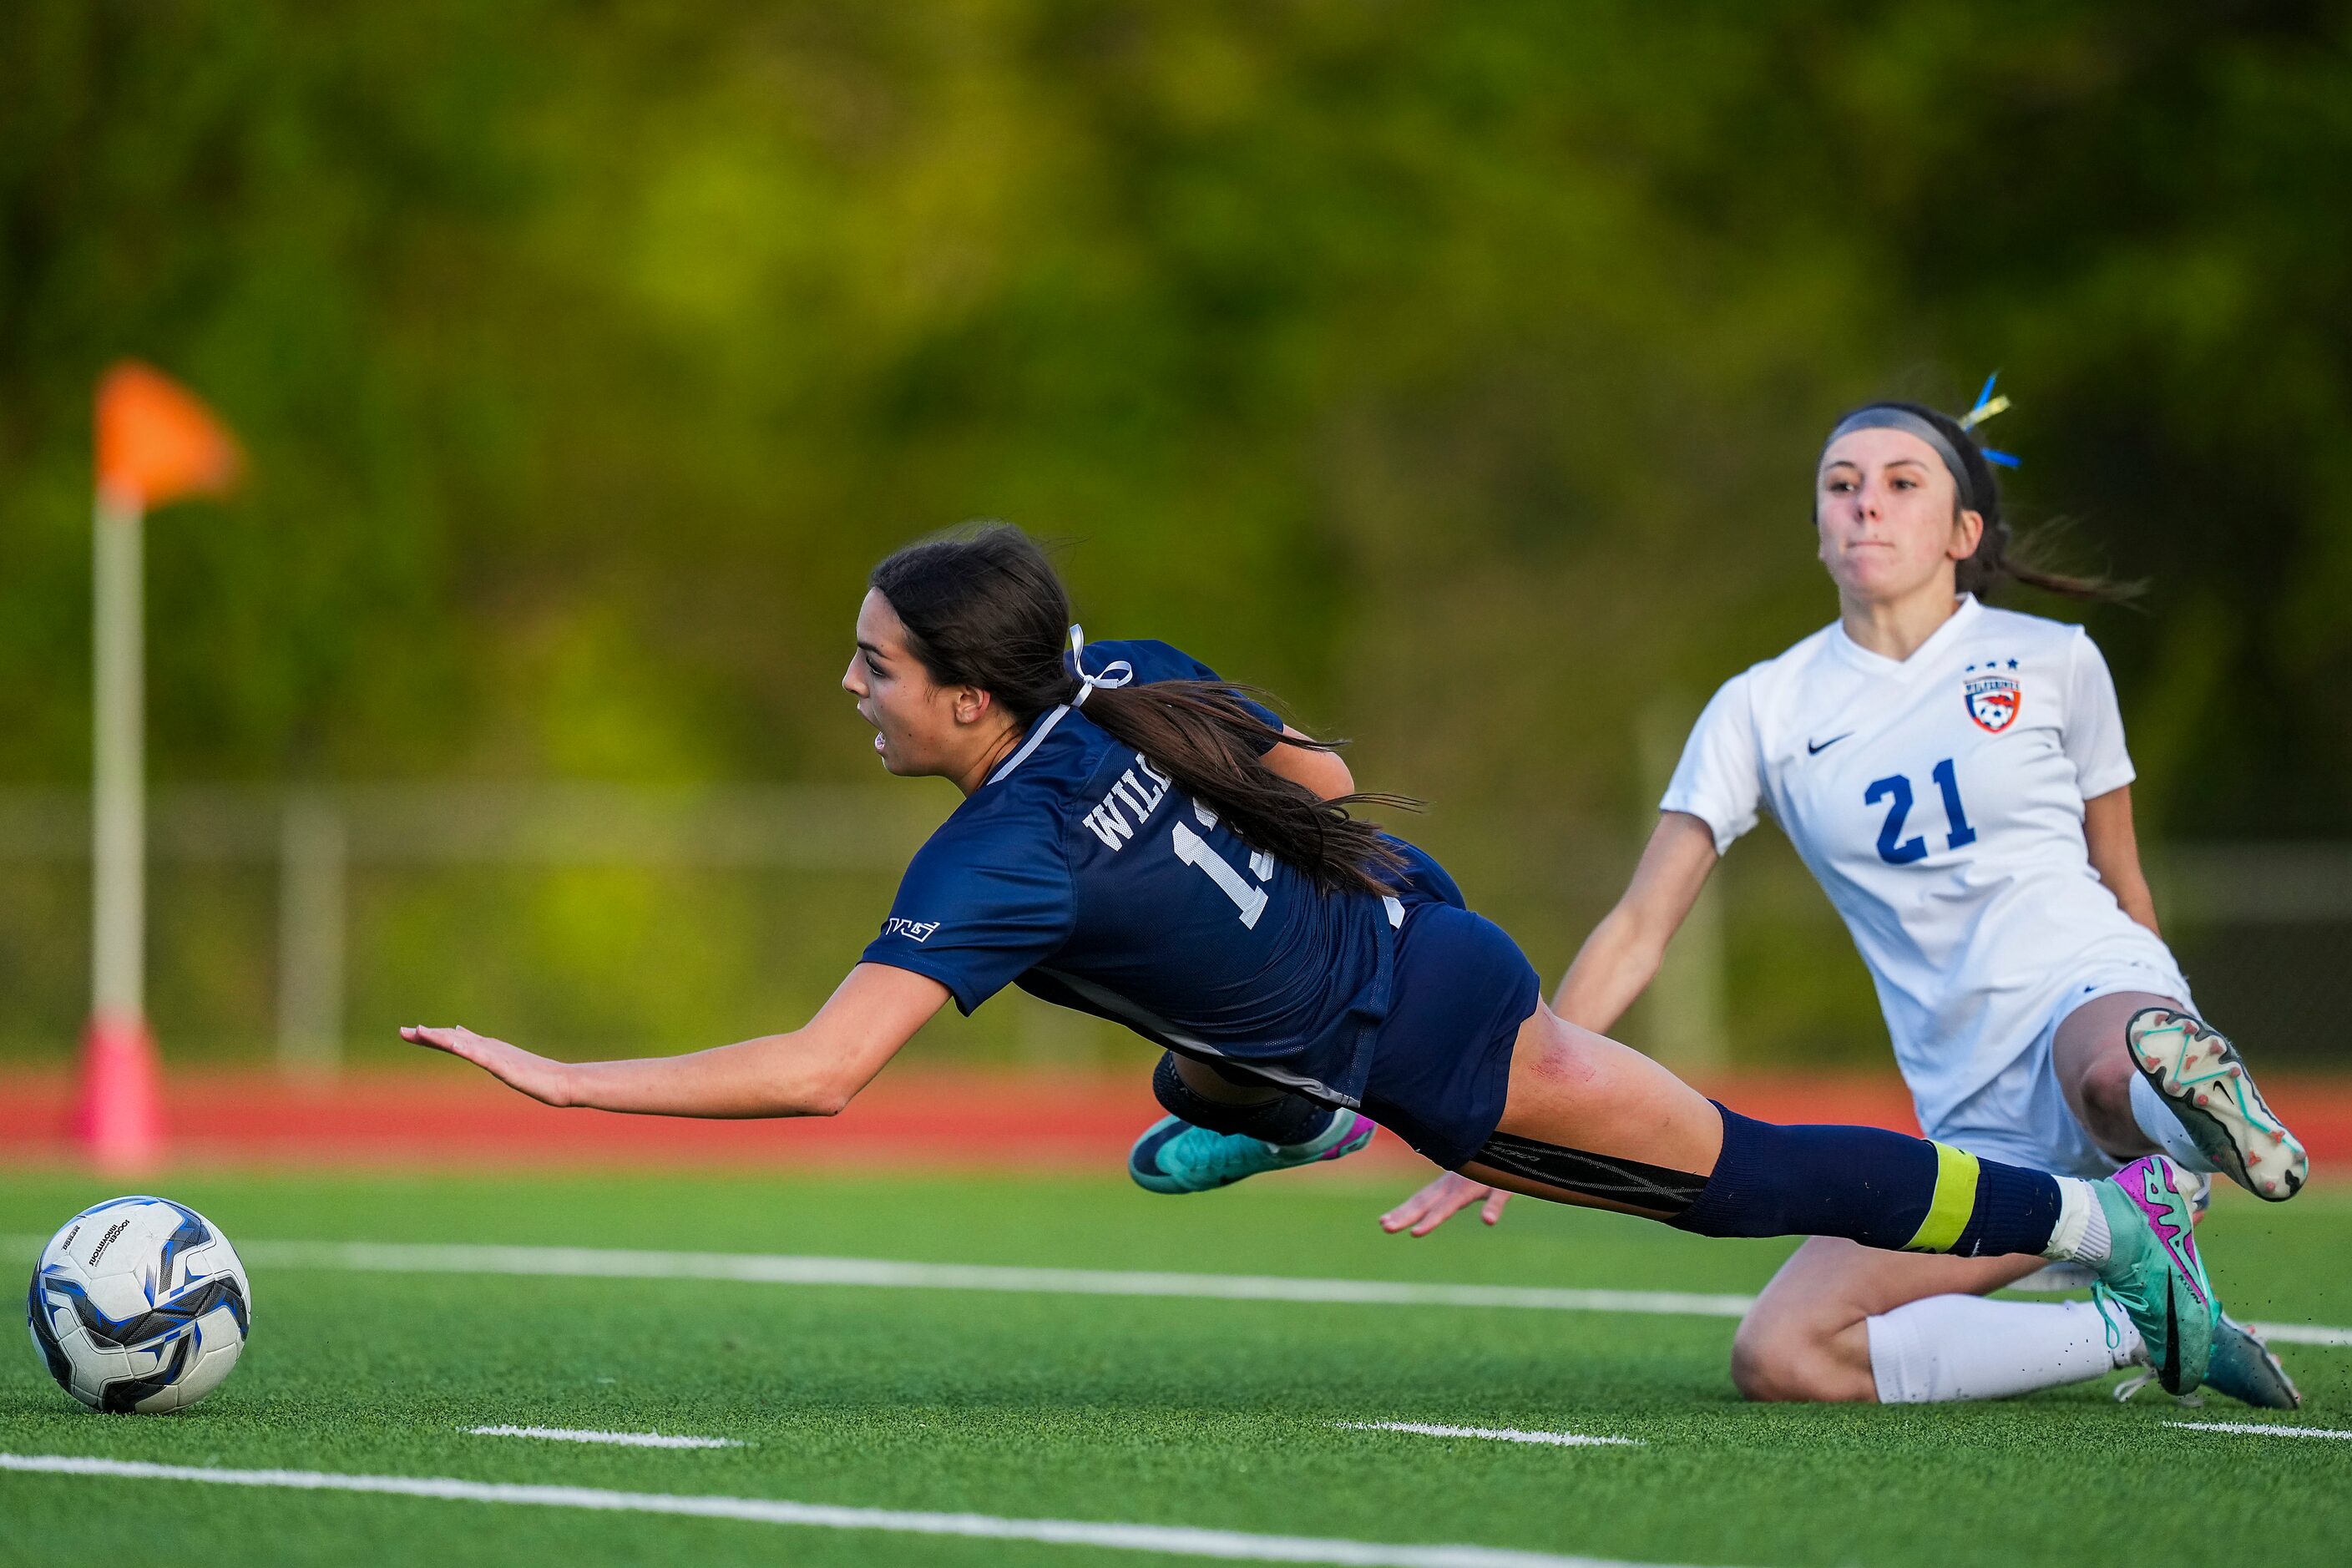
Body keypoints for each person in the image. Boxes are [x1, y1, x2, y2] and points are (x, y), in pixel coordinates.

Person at [405, 522, 2231, 1395]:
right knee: (1174, 1048)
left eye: (873, 663)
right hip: (1419, 931)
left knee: (1740, 1181)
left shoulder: (1000, 851)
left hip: (1430, 1046)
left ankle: (2094, 1231)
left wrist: (565, 1077)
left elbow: (820, 1068)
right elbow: (1326, 781)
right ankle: (1266, 1104)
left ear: (967, 695)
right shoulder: (1123, 676)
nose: (853, 686)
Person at [1370, 388, 2304, 1409]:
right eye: (1842, 485)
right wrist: (1518, 1096)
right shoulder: (1763, 707)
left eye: (1903, 484)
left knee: (2107, 1071)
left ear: (1962, 532)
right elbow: (1641, 927)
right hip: (1969, 1112)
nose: (1867, 503)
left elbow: (2122, 881)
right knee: (1783, 1357)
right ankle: (2143, 1321)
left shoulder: (2054, 661)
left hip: (2088, 987)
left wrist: (2159, 1017)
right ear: (1817, 529)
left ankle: (2185, 1121)